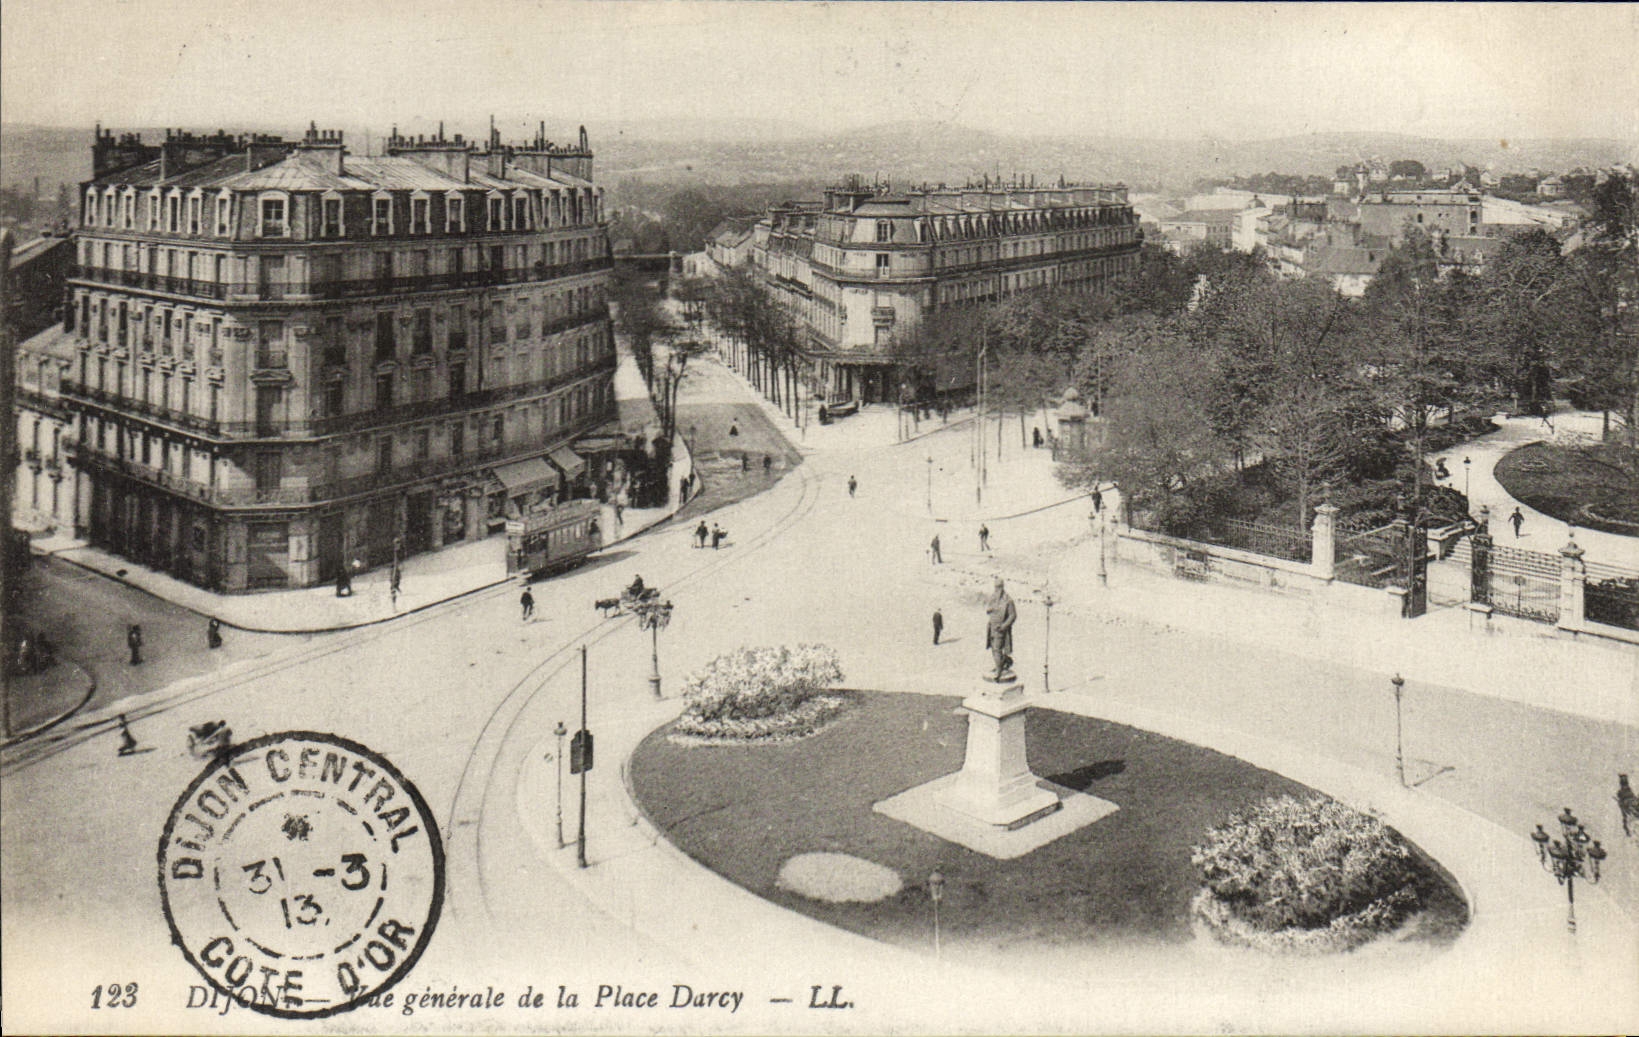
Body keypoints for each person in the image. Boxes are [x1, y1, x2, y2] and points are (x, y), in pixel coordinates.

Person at [984, 579, 1017, 682]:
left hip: (1001, 629)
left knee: (997, 648)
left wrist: (1004, 626)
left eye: (999, 587)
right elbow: (988, 608)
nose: (997, 589)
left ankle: (999, 670)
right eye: (995, 587)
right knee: (993, 648)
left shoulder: (1008, 600)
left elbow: (1013, 615)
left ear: (1002, 587)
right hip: (992, 627)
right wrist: (990, 609)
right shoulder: (993, 598)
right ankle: (1002, 663)